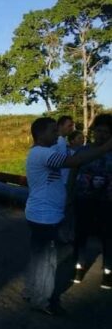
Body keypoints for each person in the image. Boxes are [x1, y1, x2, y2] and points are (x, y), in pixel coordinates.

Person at [23, 117, 112, 315]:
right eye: (53, 131)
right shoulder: (43, 154)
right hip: (44, 216)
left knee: (37, 258)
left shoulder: (39, 153)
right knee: (47, 262)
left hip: (40, 214)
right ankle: (42, 301)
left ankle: (30, 291)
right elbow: (75, 161)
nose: (58, 134)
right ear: (41, 134)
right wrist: (106, 148)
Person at [71, 114, 112, 290]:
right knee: (81, 234)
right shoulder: (82, 151)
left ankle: (108, 272)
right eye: (98, 130)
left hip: (108, 202)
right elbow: (73, 174)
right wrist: (69, 195)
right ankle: (78, 267)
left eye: (106, 132)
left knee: (108, 237)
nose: (101, 135)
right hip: (83, 199)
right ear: (93, 131)